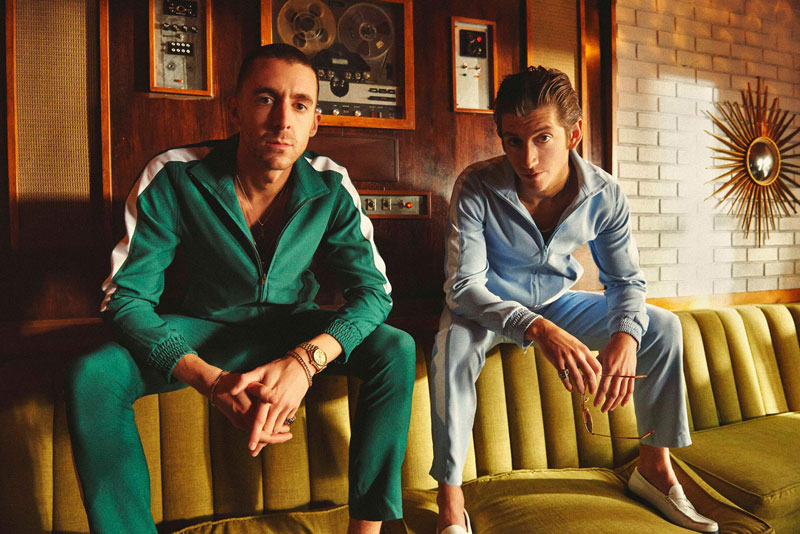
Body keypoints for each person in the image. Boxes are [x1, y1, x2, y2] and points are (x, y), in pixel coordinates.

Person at [65, 44, 415, 534]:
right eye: (265, 99)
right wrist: (209, 380)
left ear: (315, 121)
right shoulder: (174, 173)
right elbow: (124, 297)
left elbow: (374, 293)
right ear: (235, 108)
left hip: (293, 329)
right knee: (94, 375)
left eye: (300, 105)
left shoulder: (331, 184)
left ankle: (367, 531)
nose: (283, 121)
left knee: (396, 348)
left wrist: (306, 361)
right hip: (206, 331)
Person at [430, 66, 718, 534]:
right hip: (487, 309)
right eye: (513, 141)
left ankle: (653, 468)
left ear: (574, 134)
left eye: (542, 138)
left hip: (558, 302)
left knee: (662, 328)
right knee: (452, 347)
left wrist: (625, 337)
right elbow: (463, 287)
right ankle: (450, 498)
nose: (528, 158)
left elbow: (626, 281)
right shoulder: (476, 185)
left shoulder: (605, 194)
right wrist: (537, 328)